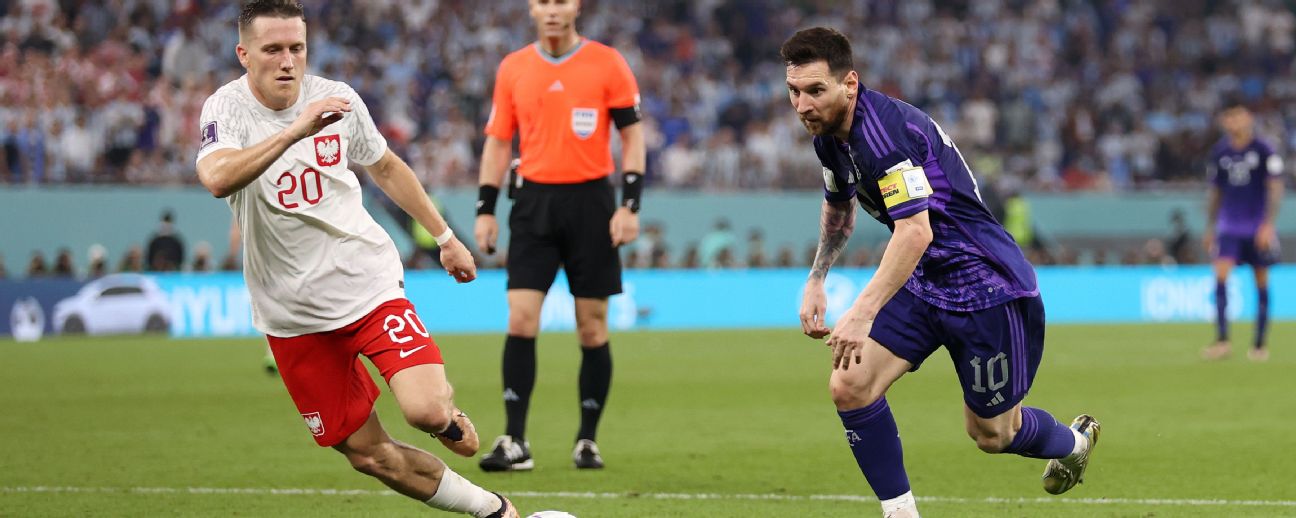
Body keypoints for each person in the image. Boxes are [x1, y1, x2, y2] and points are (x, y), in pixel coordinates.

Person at [193, 3, 516, 516]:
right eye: (272, 50)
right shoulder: (225, 109)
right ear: (243, 54)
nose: (287, 62)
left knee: (424, 410)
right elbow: (216, 178)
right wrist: (293, 132)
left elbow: (385, 167)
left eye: (296, 48)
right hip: (291, 317)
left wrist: (445, 236)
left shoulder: (338, 100)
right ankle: (492, 509)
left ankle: (445, 416)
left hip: (366, 284)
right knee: (369, 456)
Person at [782, 28, 1100, 518]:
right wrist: (817, 277)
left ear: (849, 83)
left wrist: (863, 312)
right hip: (925, 281)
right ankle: (900, 512)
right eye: (794, 92)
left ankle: (1073, 442)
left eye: (815, 91)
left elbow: (915, 232)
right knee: (849, 384)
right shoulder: (830, 137)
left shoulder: (884, 136)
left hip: (985, 285)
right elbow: (839, 207)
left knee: (993, 434)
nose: (802, 105)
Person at [473, 0, 645, 472]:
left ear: (577, 6)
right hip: (532, 205)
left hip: (592, 204)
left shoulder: (608, 62)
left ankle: (587, 440)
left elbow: (632, 136)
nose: (553, 10)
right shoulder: (514, 67)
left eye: (561, 0)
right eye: (544, 1)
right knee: (520, 318)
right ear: (532, 8)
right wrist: (486, 210)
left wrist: (630, 206)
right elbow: (497, 141)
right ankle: (515, 440)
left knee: (591, 326)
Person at [1202, 99, 1284, 362]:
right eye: (1228, 117)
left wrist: (1268, 224)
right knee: (1221, 276)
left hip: (1256, 226)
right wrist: (1210, 227)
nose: (1233, 122)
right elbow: (1215, 192)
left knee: (1260, 281)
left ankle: (1259, 345)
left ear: (1248, 118)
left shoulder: (1263, 150)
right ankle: (1222, 341)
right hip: (1228, 227)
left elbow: (1275, 187)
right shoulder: (1220, 153)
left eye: (1237, 116)